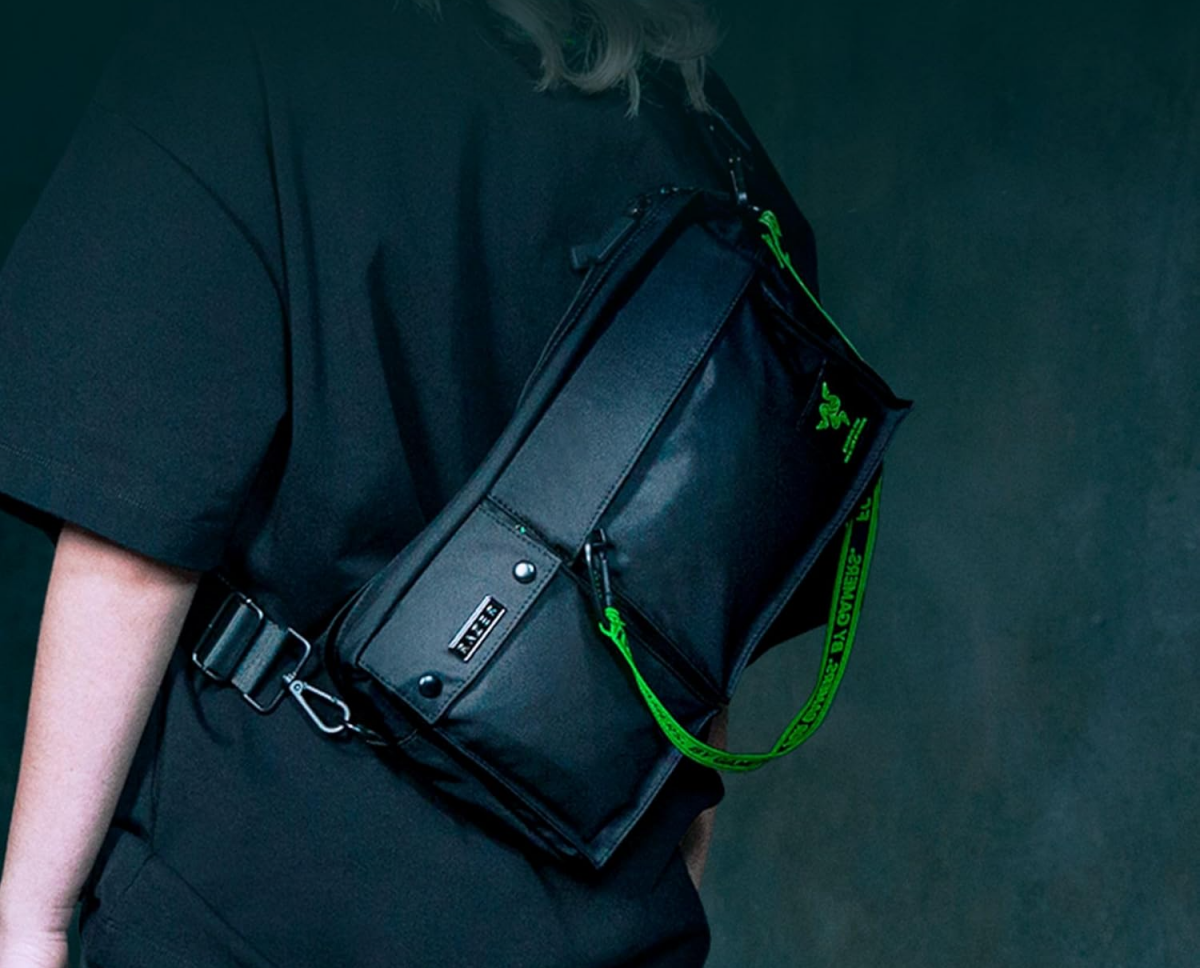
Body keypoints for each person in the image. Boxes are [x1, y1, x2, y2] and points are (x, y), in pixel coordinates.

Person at [0, 0, 821, 964]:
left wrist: (31, 916)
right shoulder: (732, 177)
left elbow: (138, 540)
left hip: (250, 904)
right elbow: (705, 638)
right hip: (597, 934)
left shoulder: (245, 51)